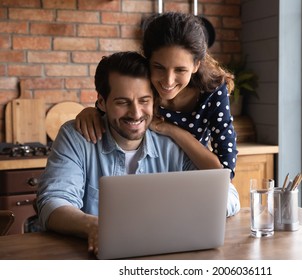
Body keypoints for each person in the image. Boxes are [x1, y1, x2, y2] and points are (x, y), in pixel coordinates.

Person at [36, 51, 240, 255]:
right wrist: (93, 226)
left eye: (144, 100)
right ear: (101, 102)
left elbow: (228, 194)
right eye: (122, 102)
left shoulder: (173, 143)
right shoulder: (75, 137)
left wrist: (195, 214)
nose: (135, 113)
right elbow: (53, 203)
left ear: (154, 101)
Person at [75, 12, 238, 179]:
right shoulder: (143, 83)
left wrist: (169, 129)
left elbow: (225, 172)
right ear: (148, 61)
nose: (168, 81)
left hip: (194, 178)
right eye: (159, 67)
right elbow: (108, 108)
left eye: (180, 70)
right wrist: (89, 112)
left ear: (196, 65)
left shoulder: (213, 92)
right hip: (150, 175)